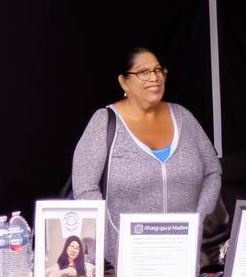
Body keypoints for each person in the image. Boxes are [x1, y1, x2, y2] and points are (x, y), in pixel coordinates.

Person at [72, 47, 223, 265]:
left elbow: (213, 171)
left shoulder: (183, 117)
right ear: (124, 82)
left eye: (158, 70)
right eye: (143, 72)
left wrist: (199, 220)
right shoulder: (104, 122)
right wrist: (112, 244)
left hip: (186, 260)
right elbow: (85, 189)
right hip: (124, 265)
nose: (154, 77)